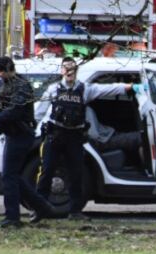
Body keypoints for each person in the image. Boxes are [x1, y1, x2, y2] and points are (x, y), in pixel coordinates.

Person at [35, 56, 137, 220]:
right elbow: (39, 113)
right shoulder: (53, 90)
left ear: (76, 71)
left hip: (74, 137)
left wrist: (130, 87)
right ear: (61, 71)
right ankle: (39, 210)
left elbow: (108, 89)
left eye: (72, 69)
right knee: (46, 172)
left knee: (76, 174)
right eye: (66, 68)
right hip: (54, 136)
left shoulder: (84, 89)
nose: (69, 72)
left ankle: (75, 212)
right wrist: (35, 132)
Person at [0, 56, 53, 228]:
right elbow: (1, 105)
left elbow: (14, 113)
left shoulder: (21, 86)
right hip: (13, 134)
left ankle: (12, 217)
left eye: (1, 72)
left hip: (21, 134)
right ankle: (41, 206)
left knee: (9, 176)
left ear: (9, 70)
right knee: (13, 176)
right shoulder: (9, 84)